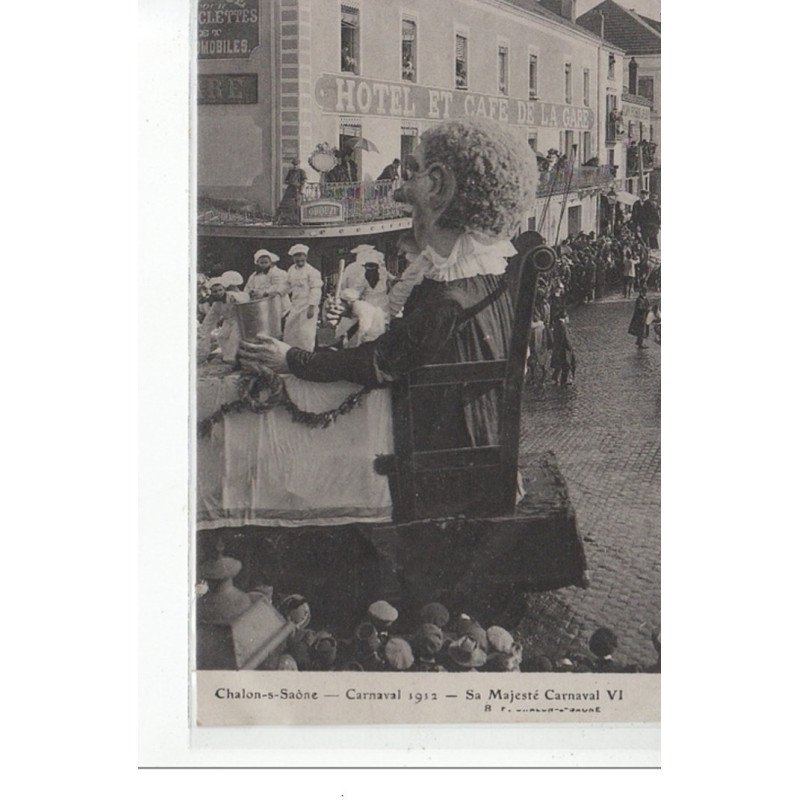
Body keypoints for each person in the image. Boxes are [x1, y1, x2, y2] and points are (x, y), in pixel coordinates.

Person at [239, 116, 539, 453]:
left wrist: (291, 359)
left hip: (442, 456)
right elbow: (409, 342)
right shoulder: (477, 280)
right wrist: (361, 310)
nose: (401, 182)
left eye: (413, 167)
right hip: (469, 438)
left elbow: (382, 361)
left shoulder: (450, 298)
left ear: (437, 185)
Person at [283, 244, 323, 351]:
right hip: (295, 305)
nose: (299, 258)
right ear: (293, 258)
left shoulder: (312, 271)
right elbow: (287, 284)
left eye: (301, 255)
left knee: (306, 332)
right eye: (296, 256)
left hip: (307, 305)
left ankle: (307, 354)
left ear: (306, 257)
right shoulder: (291, 269)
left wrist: (311, 307)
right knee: (291, 330)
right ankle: (291, 353)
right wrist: (275, 292)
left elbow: (316, 289)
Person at [275, 158, 307, 224]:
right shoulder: (291, 171)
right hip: (290, 189)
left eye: (296, 165)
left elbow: (304, 181)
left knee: (297, 205)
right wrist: (289, 182)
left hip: (297, 190)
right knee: (284, 203)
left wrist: (301, 189)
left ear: (299, 165)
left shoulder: (302, 172)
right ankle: (279, 219)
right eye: (294, 165)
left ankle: (298, 220)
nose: (295, 166)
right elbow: (286, 180)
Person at [550, 308, 575, 387]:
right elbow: (565, 339)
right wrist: (570, 348)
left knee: (559, 365)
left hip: (557, 348)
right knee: (566, 366)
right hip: (563, 349)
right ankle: (563, 382)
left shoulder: (557, 324)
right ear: (565, 316)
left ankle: (555, 379)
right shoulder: (562, 326)